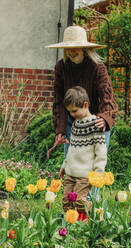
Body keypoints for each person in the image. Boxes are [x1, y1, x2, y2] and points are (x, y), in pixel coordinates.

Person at [46, 25, 118, 156]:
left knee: (96, 163)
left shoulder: (97, 67)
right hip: (71, 121)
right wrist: (60, 128)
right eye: (68, 49)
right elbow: (58, 100)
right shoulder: (61, 67)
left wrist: (106, 117)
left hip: (96, 120)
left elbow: (107, 97)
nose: (71, 52)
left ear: (84, 48)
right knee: (71, 162)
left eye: (75, 48)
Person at [59, 86, 107, 216]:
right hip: (70, 173)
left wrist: (98, 173)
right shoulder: (75, 124)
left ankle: (99, 215)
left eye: (74, 111)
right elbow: (72, 149)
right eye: (69, 112)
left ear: (85, 105)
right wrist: (65, 165)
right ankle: (71, 228)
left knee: (80, 202)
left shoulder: (95, 124)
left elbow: (101, 152)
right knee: (66, 202)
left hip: (85, 175)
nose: (71, 115)